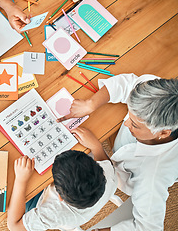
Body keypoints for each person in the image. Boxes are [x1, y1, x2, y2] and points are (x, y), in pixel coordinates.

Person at [59, 73, 178, 231]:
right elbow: (128, 84)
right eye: (129, 115)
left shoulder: (152, 179)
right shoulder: (156, 93)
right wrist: (91, 104)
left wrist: (98, 149)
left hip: (126, 179)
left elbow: (148, 228)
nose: (126, 122)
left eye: (134, 124)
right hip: (122, 154)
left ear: (163, 133)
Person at [7, 149, 117, 231]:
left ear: (59, 195)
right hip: (77, 208)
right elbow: (105, 161)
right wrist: (96, 146)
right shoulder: (108, 175)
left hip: (41, 202)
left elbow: (14, 226)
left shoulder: (52, 213)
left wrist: (21, 180)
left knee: (9, 190)